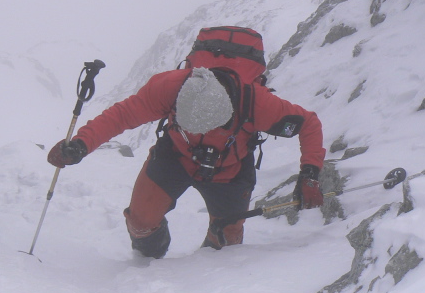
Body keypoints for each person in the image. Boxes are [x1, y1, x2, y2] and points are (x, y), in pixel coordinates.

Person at [47, 30, 325, 259]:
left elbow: (309, 124)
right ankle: (147, 259)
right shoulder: (169, 87)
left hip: (231, 168)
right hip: (175, 156)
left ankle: (206, 266)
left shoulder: (259, 104)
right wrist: (81, 144)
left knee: (227, 242)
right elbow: (121, 116)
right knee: (140, 223)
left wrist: (310, 174)